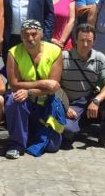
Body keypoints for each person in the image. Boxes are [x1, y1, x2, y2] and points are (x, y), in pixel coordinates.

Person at [4, 20, 64, 159]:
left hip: (47, 101)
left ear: (41, 34)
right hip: (25, 100)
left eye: (34, 34)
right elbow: (14, 84)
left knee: (52, 147)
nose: (30, 38)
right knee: (14, 99)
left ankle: (32, 134)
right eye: (26, 35)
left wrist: (30, 90)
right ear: (21, 37)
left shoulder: (55, 51)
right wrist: (43, 82)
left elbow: (53, 86)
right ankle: (16, 144)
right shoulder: (13, 52)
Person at [59, 24, 105, 150]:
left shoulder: (100, 58)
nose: (85, 45)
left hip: (90, 100)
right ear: (75, 40)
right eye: (82, 40)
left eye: (89, 41)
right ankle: (76, 127)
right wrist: (65, 106)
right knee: (68, 131)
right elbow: (55, 85)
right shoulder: (63, 57)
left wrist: (96, 100)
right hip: (72, 103)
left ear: (94, 42)